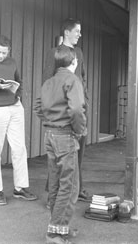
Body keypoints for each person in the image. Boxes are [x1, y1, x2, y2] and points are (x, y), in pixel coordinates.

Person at [0, 35, 37, 205]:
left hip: (15, 107)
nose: (1, 56)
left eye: (4, 52)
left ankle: (20, 188)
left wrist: (17, 92)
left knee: (19, 149)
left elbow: (19, 81)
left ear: (9, 50)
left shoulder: (13, 62)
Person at [36, 46, 86, 244]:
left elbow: (38, 107)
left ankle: (59, 227)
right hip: (66, 135)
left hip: (50, 134)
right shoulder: (73, 80)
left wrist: (51, 121)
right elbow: (76, 110)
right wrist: (79, 130)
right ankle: (54, 234)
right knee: (70, 185)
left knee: (56, 182)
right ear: (74, 62)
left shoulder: (49, 82)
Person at [43, 18, 91, 203]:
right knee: (58, 158)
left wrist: (84, 100)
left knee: (78, 151)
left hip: (79, 108)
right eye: (77, 31)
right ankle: (52, 196)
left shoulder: (79, 52)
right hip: (62, 113)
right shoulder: (54, 53)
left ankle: (76, 188)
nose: (80, 34)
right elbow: (47, 82)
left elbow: (83, 77)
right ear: (67, 32)